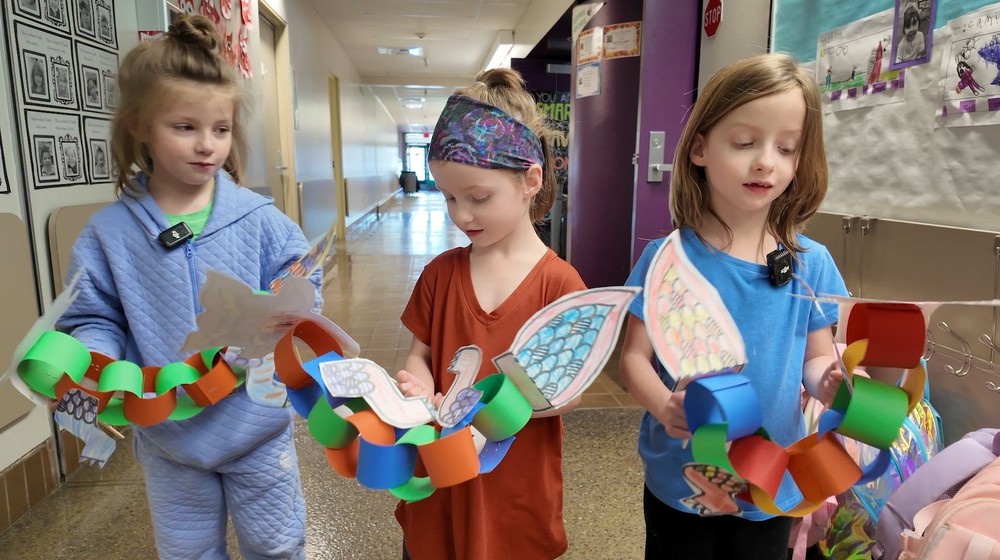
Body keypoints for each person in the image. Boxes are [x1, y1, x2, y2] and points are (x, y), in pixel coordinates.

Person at [55, 14, 317, 559]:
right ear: (138, 126)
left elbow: (302, 276)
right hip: (170, 439)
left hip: (257, 427)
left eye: (220, 130)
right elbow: (91, 315)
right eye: (184, 127)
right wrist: (97, 365)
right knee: (187, 552)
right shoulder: (110, 234)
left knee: (276, 545)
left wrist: (284, 307)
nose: (207, 146)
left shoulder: (257, 218)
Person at [618, 53, 848, 560]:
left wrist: (827, 380)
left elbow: (815, 360)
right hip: (682, 477)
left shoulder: (812, 263)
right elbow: (632, 358)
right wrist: (664, 408)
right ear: (699, 148)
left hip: (771, 478)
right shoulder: (669, 259)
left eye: (786, 148)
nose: (766, 160)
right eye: (745, 142)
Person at [393, 68, 586, 560]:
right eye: (449, 197)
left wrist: (492, 418)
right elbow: (421, 353)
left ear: (531, 180)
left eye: (478, 198)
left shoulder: (559, 285)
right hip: (441, 476)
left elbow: (568, 394)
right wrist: (416, 388)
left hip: (513, 486)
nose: (461, 215)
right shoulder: (440, 273)